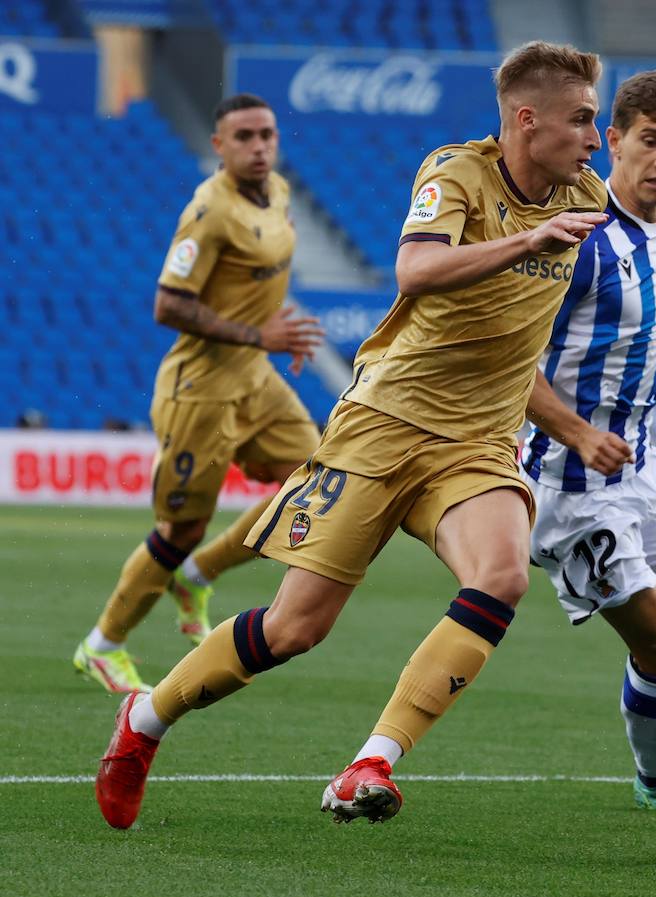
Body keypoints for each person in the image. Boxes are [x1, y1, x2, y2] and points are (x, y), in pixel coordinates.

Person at [94, 41, 610, 830]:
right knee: (295, 627)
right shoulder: (456, 174)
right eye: (581, 120)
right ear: (525, 120)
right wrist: (527, 241)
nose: (595, 138)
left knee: (501, 576)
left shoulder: (587, 189)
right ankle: (144, 724)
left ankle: (372, 760)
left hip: (475, 443)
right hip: (384, 423)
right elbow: (415, 270)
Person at [522, 68, 656, 812]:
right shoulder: (578, 238)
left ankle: (642, 640)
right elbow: (501, 361)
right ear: (612, 140)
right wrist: (579, 431)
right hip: (569, 488)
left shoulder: (653, 236)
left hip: (641, 470)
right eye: (651, 141)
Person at [73, 94, 324, 695]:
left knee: (316, 476)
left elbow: (251, 283)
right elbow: (169, 304)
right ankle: (102, 645)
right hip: (200, 390)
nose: (260, 146)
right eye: (244, 137)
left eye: (266, 134)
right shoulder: (209, 212)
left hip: (255, 377)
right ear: (219, 146)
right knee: (179, 527)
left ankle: (199, 574)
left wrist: (273, 330)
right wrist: (256, 332)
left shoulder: (280, 193)